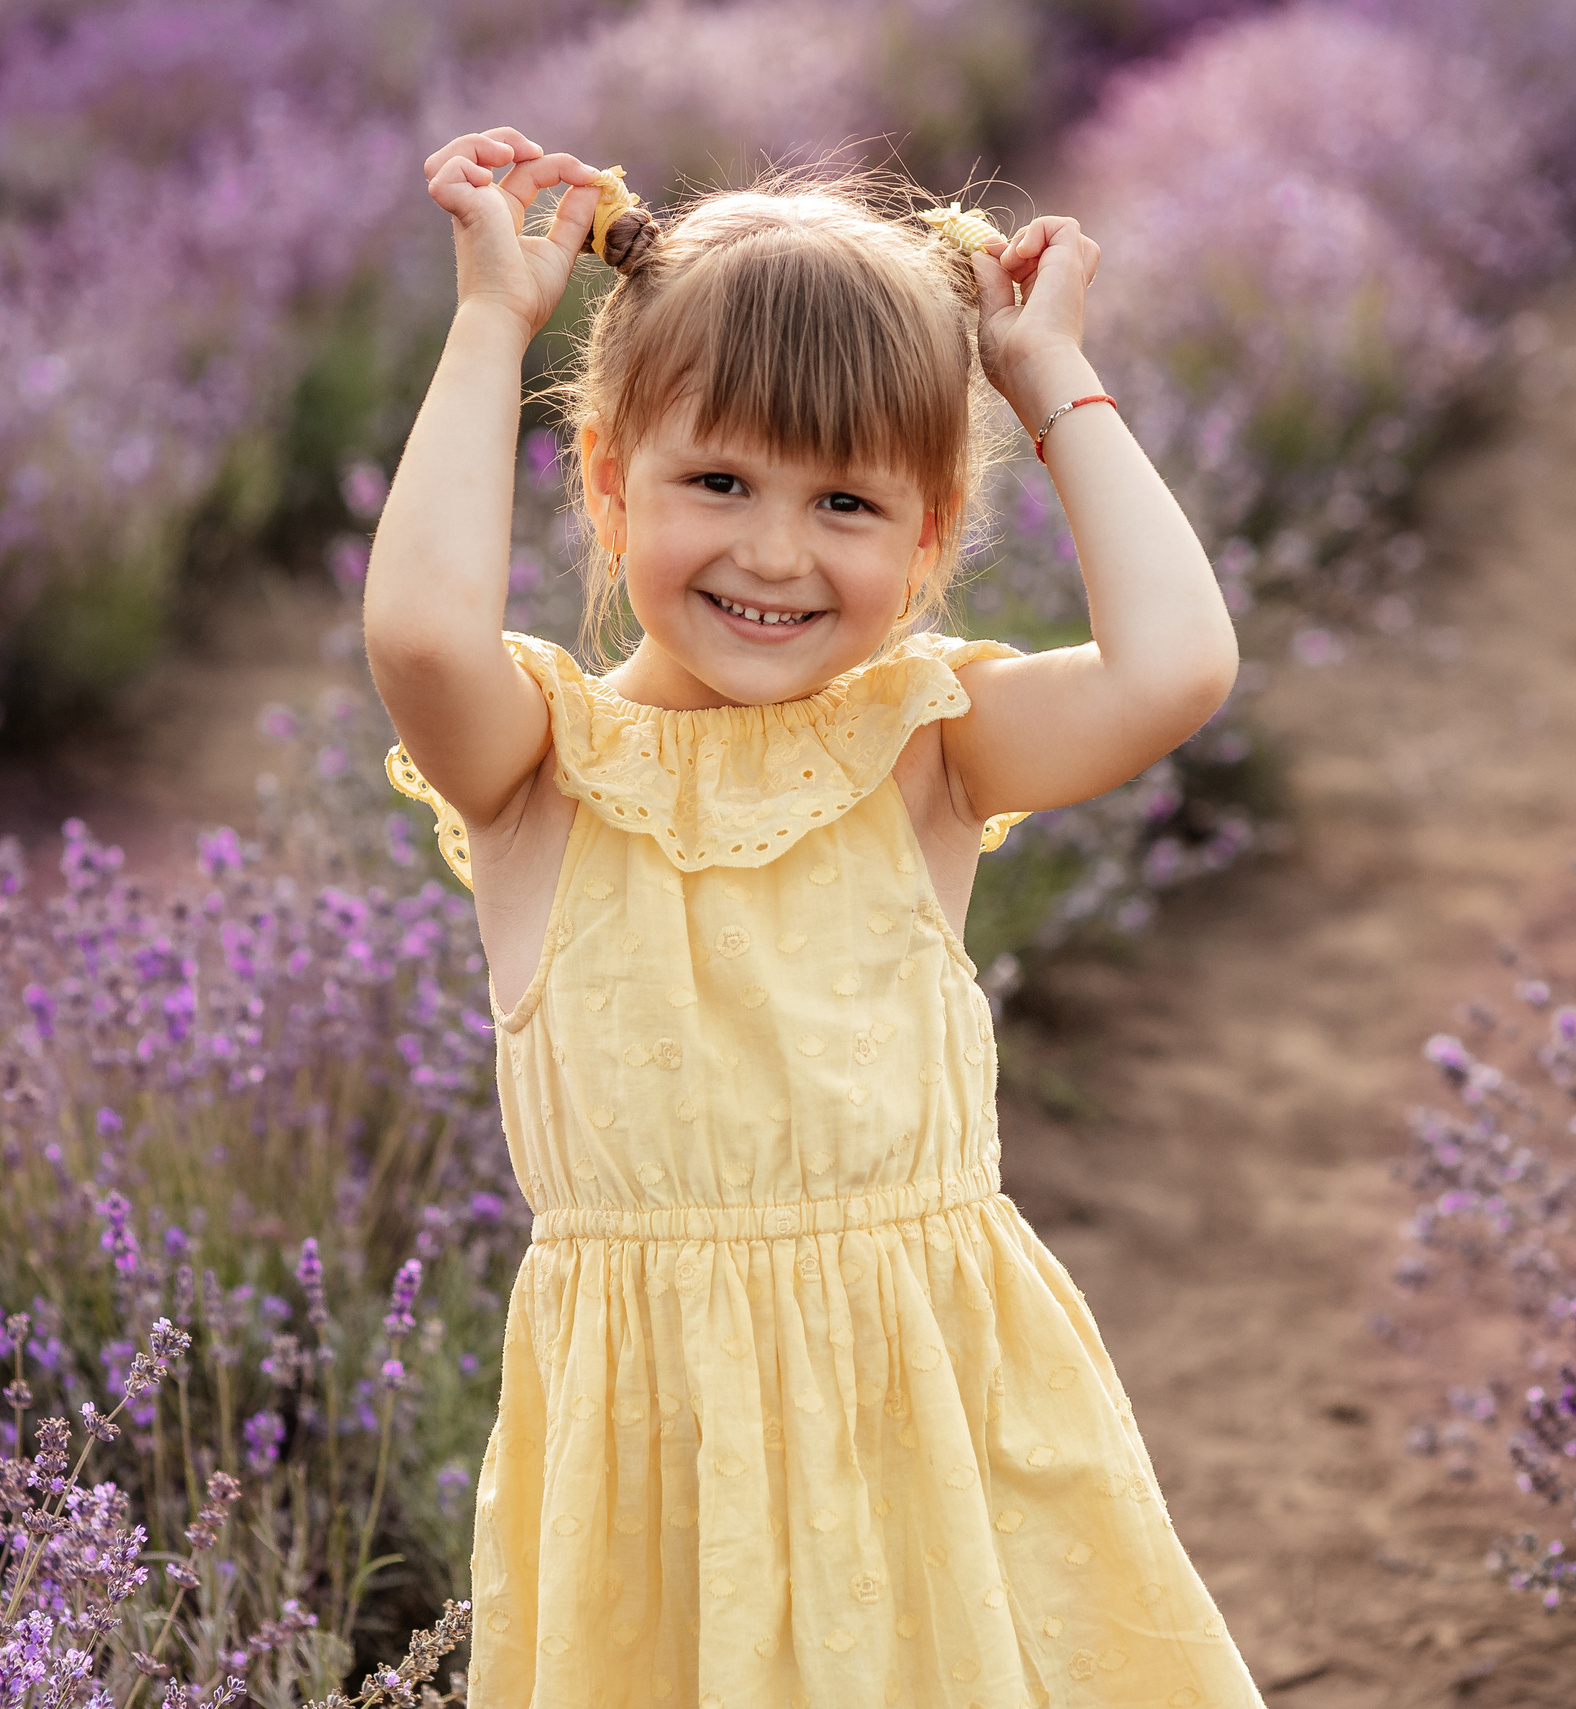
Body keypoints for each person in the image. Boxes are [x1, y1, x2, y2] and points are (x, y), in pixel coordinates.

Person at [365, 124, 1260, 1709]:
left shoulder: (921, 743)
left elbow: (1175, 668)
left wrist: (1048, 382)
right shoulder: (538, 767)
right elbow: (422, 635)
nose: (774, 551)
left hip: (927, 1421)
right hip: (661, 1474)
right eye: (717, 481)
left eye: (847, 502)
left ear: (926, 542)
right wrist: (494, 321)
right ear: (606, 482)